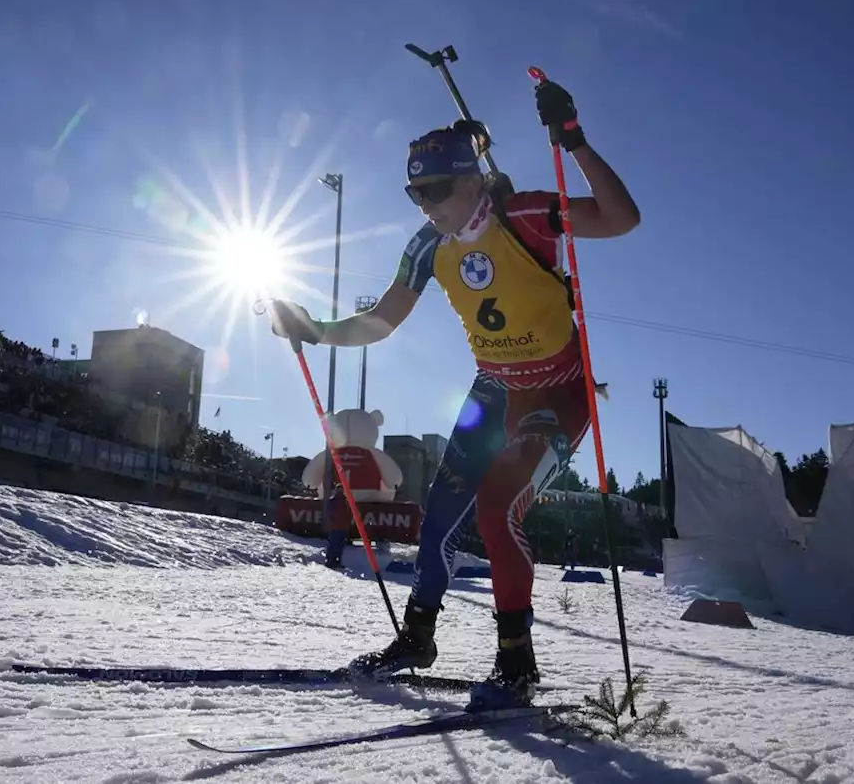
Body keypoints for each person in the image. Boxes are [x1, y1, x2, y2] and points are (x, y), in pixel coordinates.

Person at [266, 77, 640, 710]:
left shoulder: (524, 217)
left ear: (472, 180)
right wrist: (319, 330)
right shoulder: (427, 246)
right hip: (492, 388)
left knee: (499, 510)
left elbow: (621, 218)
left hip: (555, 394)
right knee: (439, 515)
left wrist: (572, 140)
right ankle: (417, 639)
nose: (426, 205)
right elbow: (383, 320)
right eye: (416, 193)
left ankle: (516, 663)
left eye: (436, 190)